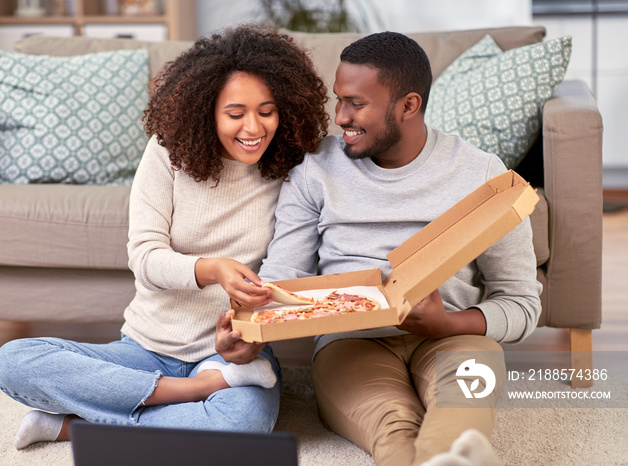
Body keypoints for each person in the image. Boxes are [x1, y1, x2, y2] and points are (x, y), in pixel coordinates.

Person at [0, 24, 329, 450]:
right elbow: (146, 258)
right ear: (206, 110)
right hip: (147, 348)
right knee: (14, 361)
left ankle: (73, 427)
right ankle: (192, 392)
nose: (254, 127)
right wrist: (211, 270)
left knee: (241, 427)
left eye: (267, 110)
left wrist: (249, 339)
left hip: (230, 352)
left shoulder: (290, 167)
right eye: (235, 113)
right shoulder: (167, 152)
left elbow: (283, 275)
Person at [216, 32, 541, 466]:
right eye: (339, 100)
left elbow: (521, 304)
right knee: (393, 426)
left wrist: (446, 324)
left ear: (408, 105)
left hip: (457, 337)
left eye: (356, 103)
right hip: (351, 344)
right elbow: (282, 279)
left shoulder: (481, 174)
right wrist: (251, 333)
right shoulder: (315, 169)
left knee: (461, 413)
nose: (340, 117)